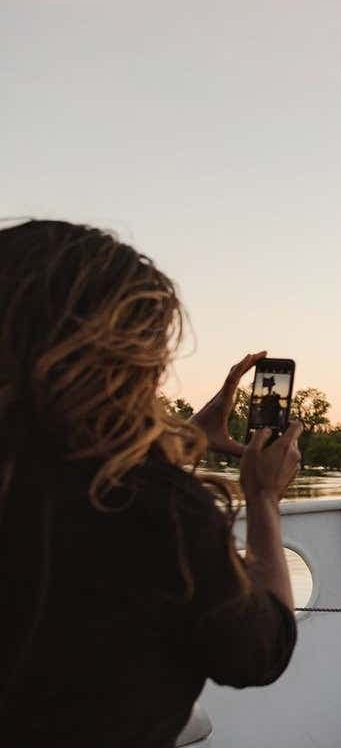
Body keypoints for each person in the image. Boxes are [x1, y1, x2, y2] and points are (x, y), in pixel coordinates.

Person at [0, 220, 302, 748]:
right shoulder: (157, 512)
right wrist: (263, 499)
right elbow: (259, 650)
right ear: (127, 361)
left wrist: (188, 436)